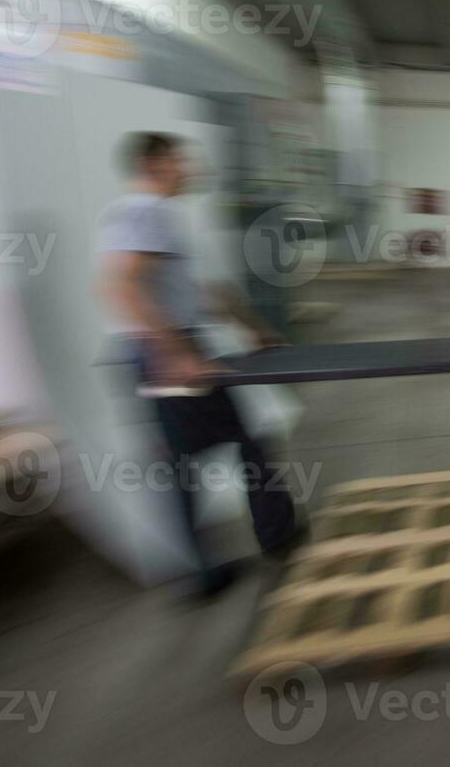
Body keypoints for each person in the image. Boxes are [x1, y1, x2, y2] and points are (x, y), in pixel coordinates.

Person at [99, 132, 300, 597]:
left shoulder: (162, 215)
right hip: (165, 353)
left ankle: (213, 565)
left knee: (196, 458)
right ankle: (260, 544)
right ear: (156, 164)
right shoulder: (143, 212)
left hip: (170, 348)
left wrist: (254, 327)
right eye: (180, 160)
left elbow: (204, 289)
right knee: (230, 448)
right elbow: (120, 287)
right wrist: (173, 354)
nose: (189, 168)